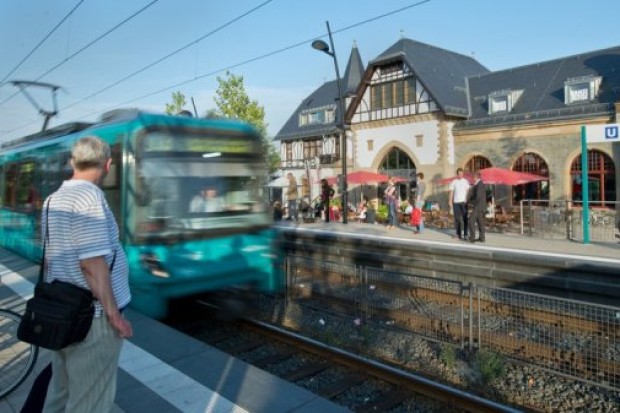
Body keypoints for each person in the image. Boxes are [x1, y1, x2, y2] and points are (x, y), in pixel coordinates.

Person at [40, 136, 133, 412]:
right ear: (107, 164)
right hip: (91, 319)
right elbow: (92, 264)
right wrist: (114, 315)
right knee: (90, 402)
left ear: (72, 162)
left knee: (61, 393)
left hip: (63, 311)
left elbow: (49, 260)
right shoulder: (89, 197)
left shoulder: (52, 199)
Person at [448, 168, 470, 240]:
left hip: (463, 203)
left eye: (461, 174)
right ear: (457, 174)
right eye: (459, 174)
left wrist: (466, 198)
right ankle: (458, 234)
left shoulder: (465, 181)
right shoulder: (454, 181)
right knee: (457, 219)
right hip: (456, 203)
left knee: (465, 219)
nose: (460, 175)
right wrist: (450, 200)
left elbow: (467, 190)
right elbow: (451, 191)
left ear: (463, 174)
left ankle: (466, 234)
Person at [468, 171, 487, 243]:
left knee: (471, 220)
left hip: (478, 206)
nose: (473, 178)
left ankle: (472, 238)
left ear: (476, 177)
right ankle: (482, 238)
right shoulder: (478, 184)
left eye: (473, 177)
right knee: (480, 222)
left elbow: (478, 196)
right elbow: (474, 195)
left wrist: (471, 202)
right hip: (480, 206)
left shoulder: (480, 184)